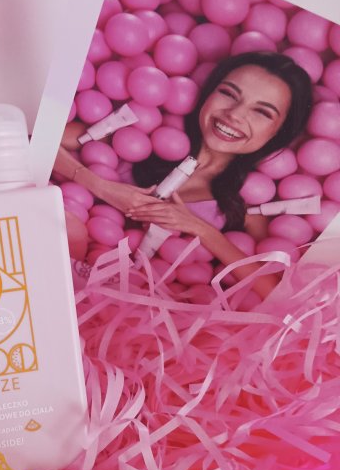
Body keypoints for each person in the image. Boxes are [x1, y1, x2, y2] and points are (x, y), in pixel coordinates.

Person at [55, 52, 313, 298]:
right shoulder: (140, 138)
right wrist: (102, 186)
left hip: (125, 306)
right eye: (228, 93)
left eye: (262, 112)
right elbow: (43, 140)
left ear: (279, 133)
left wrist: (197, 227)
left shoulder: (246, 207)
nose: (234, 114)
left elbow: (277, 293)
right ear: (208, 94)